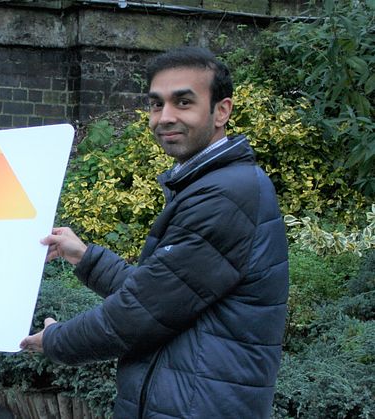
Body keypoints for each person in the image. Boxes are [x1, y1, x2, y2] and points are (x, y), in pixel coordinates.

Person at [21, 47, 289, 418]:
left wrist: (55, 340)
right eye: (156, 104)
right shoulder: (209, 183)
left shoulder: (226, 194)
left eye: (183, 102)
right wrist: (85, 256)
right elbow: (164, 293)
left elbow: (137, 314)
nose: (165, 117)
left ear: (221, 111)